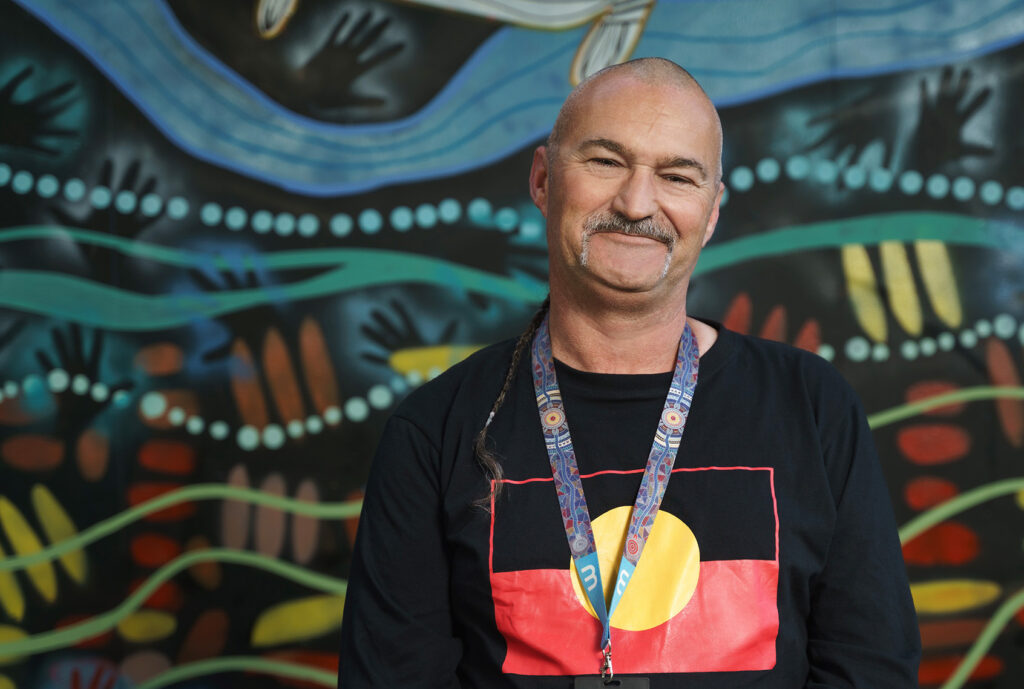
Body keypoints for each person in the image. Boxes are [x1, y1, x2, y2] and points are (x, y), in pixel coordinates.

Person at [338, 57, 920, 688]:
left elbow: (871, 668)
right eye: (606, 161)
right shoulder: (436, 429)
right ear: (542, 180)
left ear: (713, 210)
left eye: (677, 175)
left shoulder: (811, 405)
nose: (637, 202)